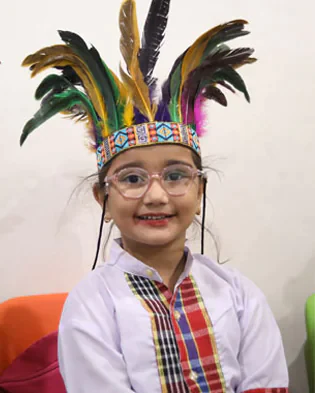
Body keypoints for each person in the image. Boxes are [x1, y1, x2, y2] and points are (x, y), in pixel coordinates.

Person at [20, 0, 289, 392]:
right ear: (103, 199)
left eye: (177, 175)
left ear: (200, 190)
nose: (157, 195)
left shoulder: (240, 295)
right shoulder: (92, 306)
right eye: (132, 178)